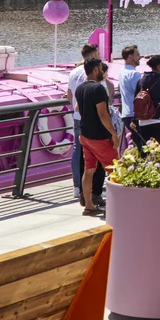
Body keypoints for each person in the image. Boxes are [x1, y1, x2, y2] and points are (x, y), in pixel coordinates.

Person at [74, 59, 119, 215]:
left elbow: (78, 109)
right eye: (100, 69)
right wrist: (113, 133)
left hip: (85, 135)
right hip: (99, 137)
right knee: (115, 169)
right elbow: (102, 113)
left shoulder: (80, 89)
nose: (102, 71)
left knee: (89, 170)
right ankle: (120, 206)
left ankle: (88, 205)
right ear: (95, 70)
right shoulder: (98, 89)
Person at [63, 42, 102, 201]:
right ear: (92, 56)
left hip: (77, 117)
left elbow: (69, 95)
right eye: (98, 54)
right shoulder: (94, 73)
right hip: (92, 118)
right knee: (95, 152)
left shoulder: (72, 73)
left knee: (77, 151)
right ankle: (94, 189)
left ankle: (77, 186)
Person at [134, 54, 160, 147]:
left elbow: (135, 101)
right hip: (159, 120)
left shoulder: (141, 81)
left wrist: (135, 120)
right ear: (159, 66)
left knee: (146, 150)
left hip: (143, 120)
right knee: (159, 150)